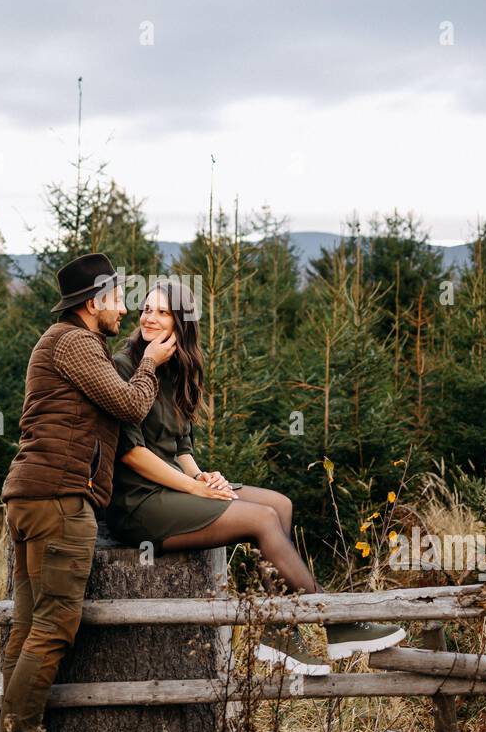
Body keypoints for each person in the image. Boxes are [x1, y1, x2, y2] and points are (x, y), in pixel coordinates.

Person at [106, 279, 406, 674]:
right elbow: (133, 454)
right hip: (138, 504)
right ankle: (338, 621)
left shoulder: (179, 369)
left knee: (279, 504)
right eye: (146, 309)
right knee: (260, 520)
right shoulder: (124, 366)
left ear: (182, 322)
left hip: (175, 490)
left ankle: (279, 633)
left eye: (162, 312)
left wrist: (205, 477)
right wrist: (194, 488)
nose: (149, 318)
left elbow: (181, 447)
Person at [0, 252, 176, 732]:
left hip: (33, 497)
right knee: (55, 627)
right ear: (94, 303)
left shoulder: (69, 344)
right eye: (117, 298)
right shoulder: (76, 344)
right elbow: (131, 402)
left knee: (28, 626)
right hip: (59, 499)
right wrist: (151, 363)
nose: (126, 308)